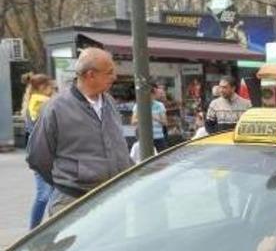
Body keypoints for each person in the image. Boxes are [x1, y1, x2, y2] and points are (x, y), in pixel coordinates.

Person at [27, 47, 133, 216]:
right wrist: (68, 182)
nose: (114, 77)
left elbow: (117, 145)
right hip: (74, 203)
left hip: (114, 198)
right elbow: (38, 157)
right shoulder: (56, 108)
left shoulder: (109, 102)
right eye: (109, 72)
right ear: (91, 75)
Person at [22, 73, 55, 228]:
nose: (53, 90)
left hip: (42, 154)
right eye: (51, 87)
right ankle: (34, 231)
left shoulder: (34, 101)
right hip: (43, 154)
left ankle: (47, 229)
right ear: (42, 87)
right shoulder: (41, 102)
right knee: (45, 195)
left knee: (51, 194)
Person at [131, 83, 168, 152]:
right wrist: (144, 117)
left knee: (162, 159)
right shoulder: (138, 105)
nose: (149, 97)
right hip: (144, 138)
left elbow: (165, 123)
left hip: (158, 137)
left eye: (152, 95)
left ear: (153, 95)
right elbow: (133, 122)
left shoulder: (160, 105)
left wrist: (156, 118)